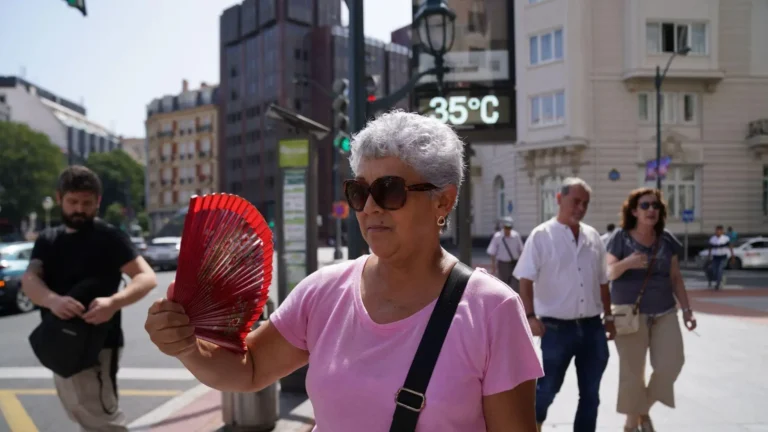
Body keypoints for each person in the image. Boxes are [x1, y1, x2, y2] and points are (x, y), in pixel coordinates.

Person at [144, 111, 544, 431]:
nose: (370, 207)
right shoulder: (323, 290)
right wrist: (186, 347)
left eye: (389, 190)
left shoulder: (493, 311)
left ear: (443, 202)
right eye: (359, 191)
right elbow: (249, 370)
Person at [21, 165, 157, 432]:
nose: (79, 210)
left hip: (97, 344)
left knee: (101, 419)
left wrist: (113, 302)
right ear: (59, 198)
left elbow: (146, 277)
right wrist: (52, 300)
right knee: (80, 412)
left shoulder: (109, 237)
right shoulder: (48, 239)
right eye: (73, 202)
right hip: (58, 342)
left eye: (87, 203)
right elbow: (30, 279)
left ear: (98, 202)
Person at [513, 177, 615, 432]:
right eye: (575, 201)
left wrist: (609, 317)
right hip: (556, 330)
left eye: (585, 203)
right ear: (559, 199)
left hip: (592, 328)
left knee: (591, 394)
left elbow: (603, 281)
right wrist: (530, 316)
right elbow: (525, 279)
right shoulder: (541, 236)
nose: (580, 208)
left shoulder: (593, 237)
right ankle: (533, 424)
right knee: (547, 388)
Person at [604, 188, 697, 432]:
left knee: (672, 363)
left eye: (655, 206)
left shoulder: (666, 240)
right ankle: (632, 423)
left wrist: (687, 310)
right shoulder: (620, 238)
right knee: (633, 373)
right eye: (645, 206)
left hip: (665, 311)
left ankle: (640, 411)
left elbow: (676, 277)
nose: (651, 210)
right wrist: (629, 263)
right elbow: (609, 272)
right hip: (629, 314)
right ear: (634, 211)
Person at [486, 216, 524, 292]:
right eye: (506, 227)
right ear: (503, 227)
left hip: (514, 264)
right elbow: (492, 252)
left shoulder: (516, 236)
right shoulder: (497, 237)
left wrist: (522, 264)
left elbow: (521, 250)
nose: (507, 230)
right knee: (503, 285)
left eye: (509, 228)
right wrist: (493, 266)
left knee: (515, 285)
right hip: (502, 264)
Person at [707, 225, 735, 290]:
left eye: (719, 231)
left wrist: (732, 256)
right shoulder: (712, 239)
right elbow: (710, 248)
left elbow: (730, 247)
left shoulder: (726, 238)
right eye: (717, 231)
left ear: (722, 231)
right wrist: (709, 257)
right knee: (714, 271)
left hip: (723, 257)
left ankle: (718, 284)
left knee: (720, 270)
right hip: (715, 257)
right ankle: (721, 279)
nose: (718, 232)